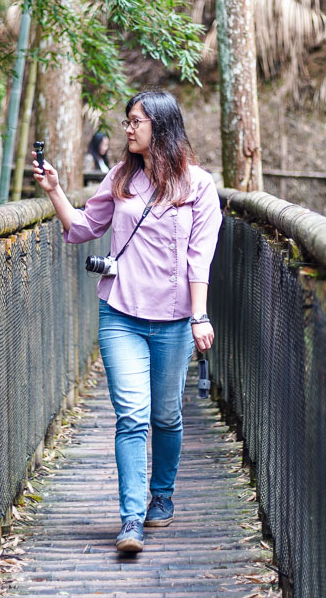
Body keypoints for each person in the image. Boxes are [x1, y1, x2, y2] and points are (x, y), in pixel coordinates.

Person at [32, 90, 220, 554]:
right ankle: (130, 520)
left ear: (161, 125)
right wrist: (55, 189)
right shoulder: (119, 178)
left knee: (166, 415)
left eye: (136, 121)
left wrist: (199, 316)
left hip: (175, 320)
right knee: (132, 417)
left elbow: (201, 258)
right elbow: (81, 229)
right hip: (120, 313)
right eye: (127, 120)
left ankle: (162, 496)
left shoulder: (197, 186)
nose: (128, 128)